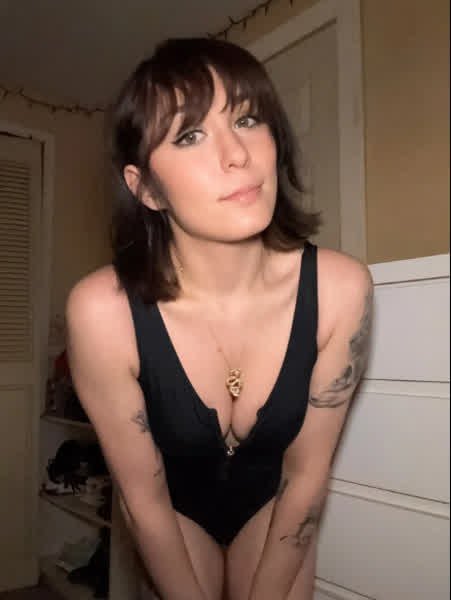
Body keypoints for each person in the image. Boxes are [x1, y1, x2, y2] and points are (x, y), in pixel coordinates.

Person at [66, 37, 373, 600]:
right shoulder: (102, 312)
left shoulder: (341, 289)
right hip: (173, 514)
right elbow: (144, 500)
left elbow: (306, 475)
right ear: (146, 188)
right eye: (190, 135)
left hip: (272, 507)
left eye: (248, 120)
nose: (237, 155)